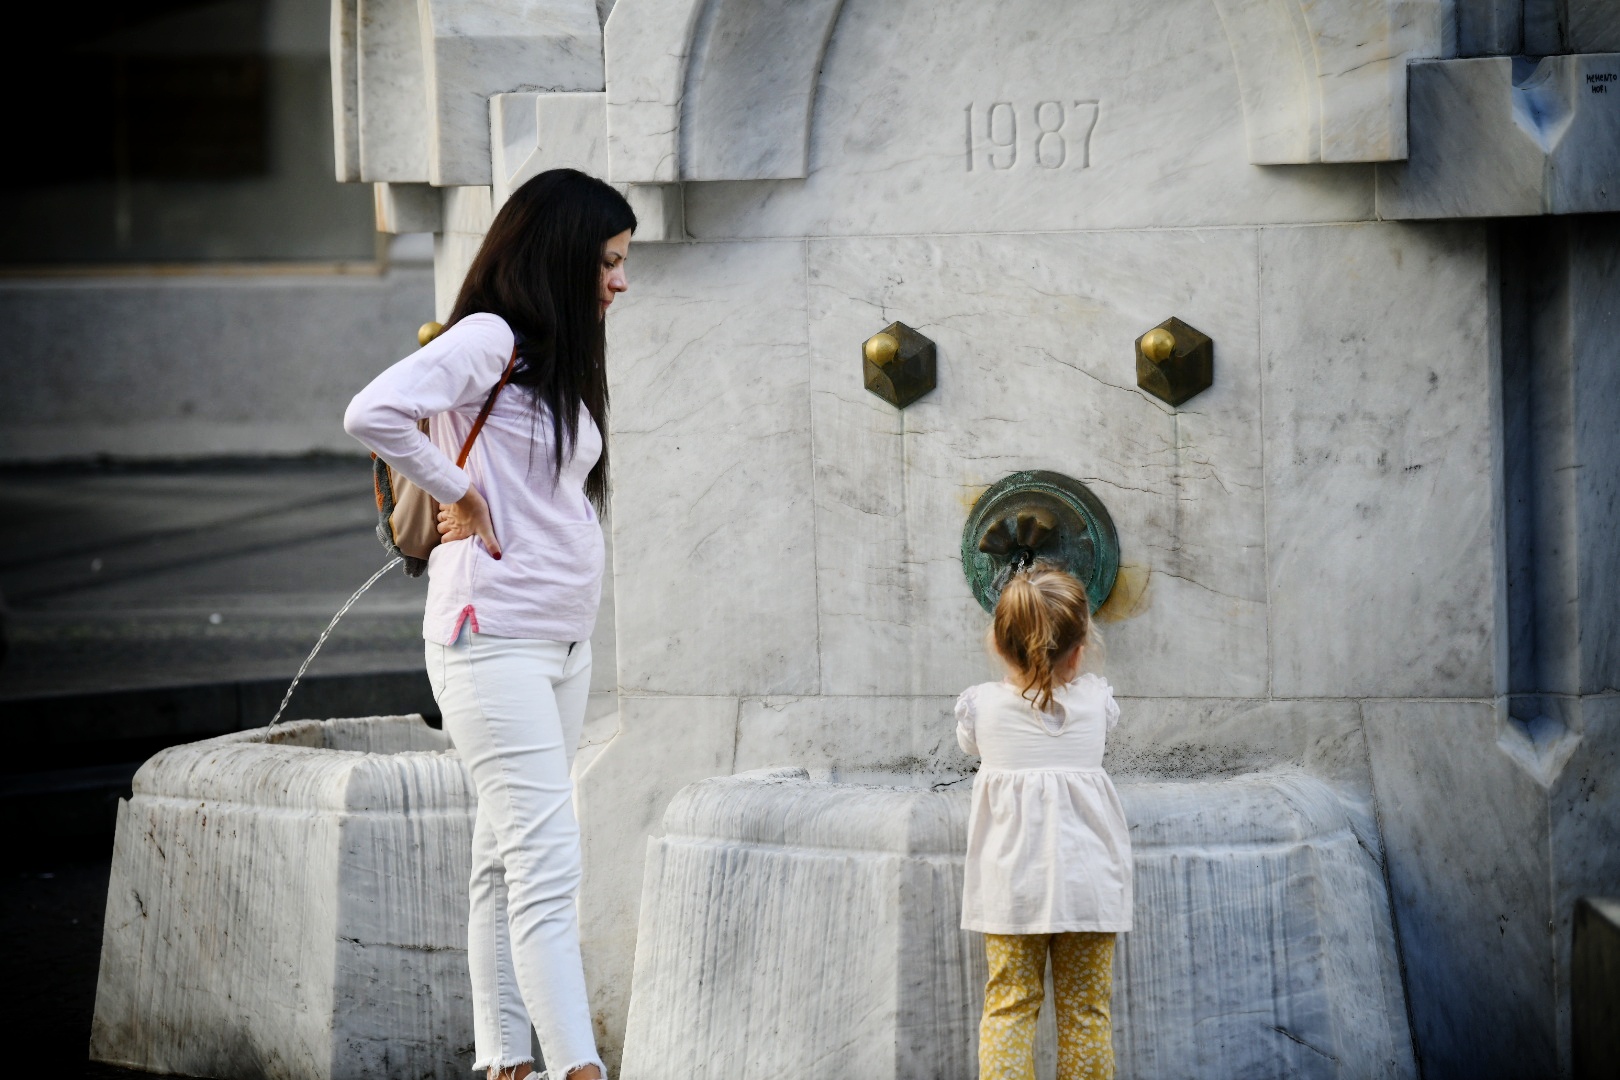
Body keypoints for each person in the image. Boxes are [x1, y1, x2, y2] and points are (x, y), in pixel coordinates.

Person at [343, 168, 635, 1080]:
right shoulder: (489, 336)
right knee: (548, 870)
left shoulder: (549, 357)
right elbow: (371, 410)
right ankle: (578, 1071)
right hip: (489, 638)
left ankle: (508, 1064)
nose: (620, 282)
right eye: (609, 262)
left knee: (506, 865)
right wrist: (458, 488)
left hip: (559, 644)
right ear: (560, 255)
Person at [955, 564, 1132, 1080]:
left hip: (1013, 890)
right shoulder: (1099, 703)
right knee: (1086, 1012)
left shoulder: (981, 709)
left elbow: (972, 747)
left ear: (997, 643)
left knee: (1010, 1006)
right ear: (1080, 650)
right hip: (1089, 886)